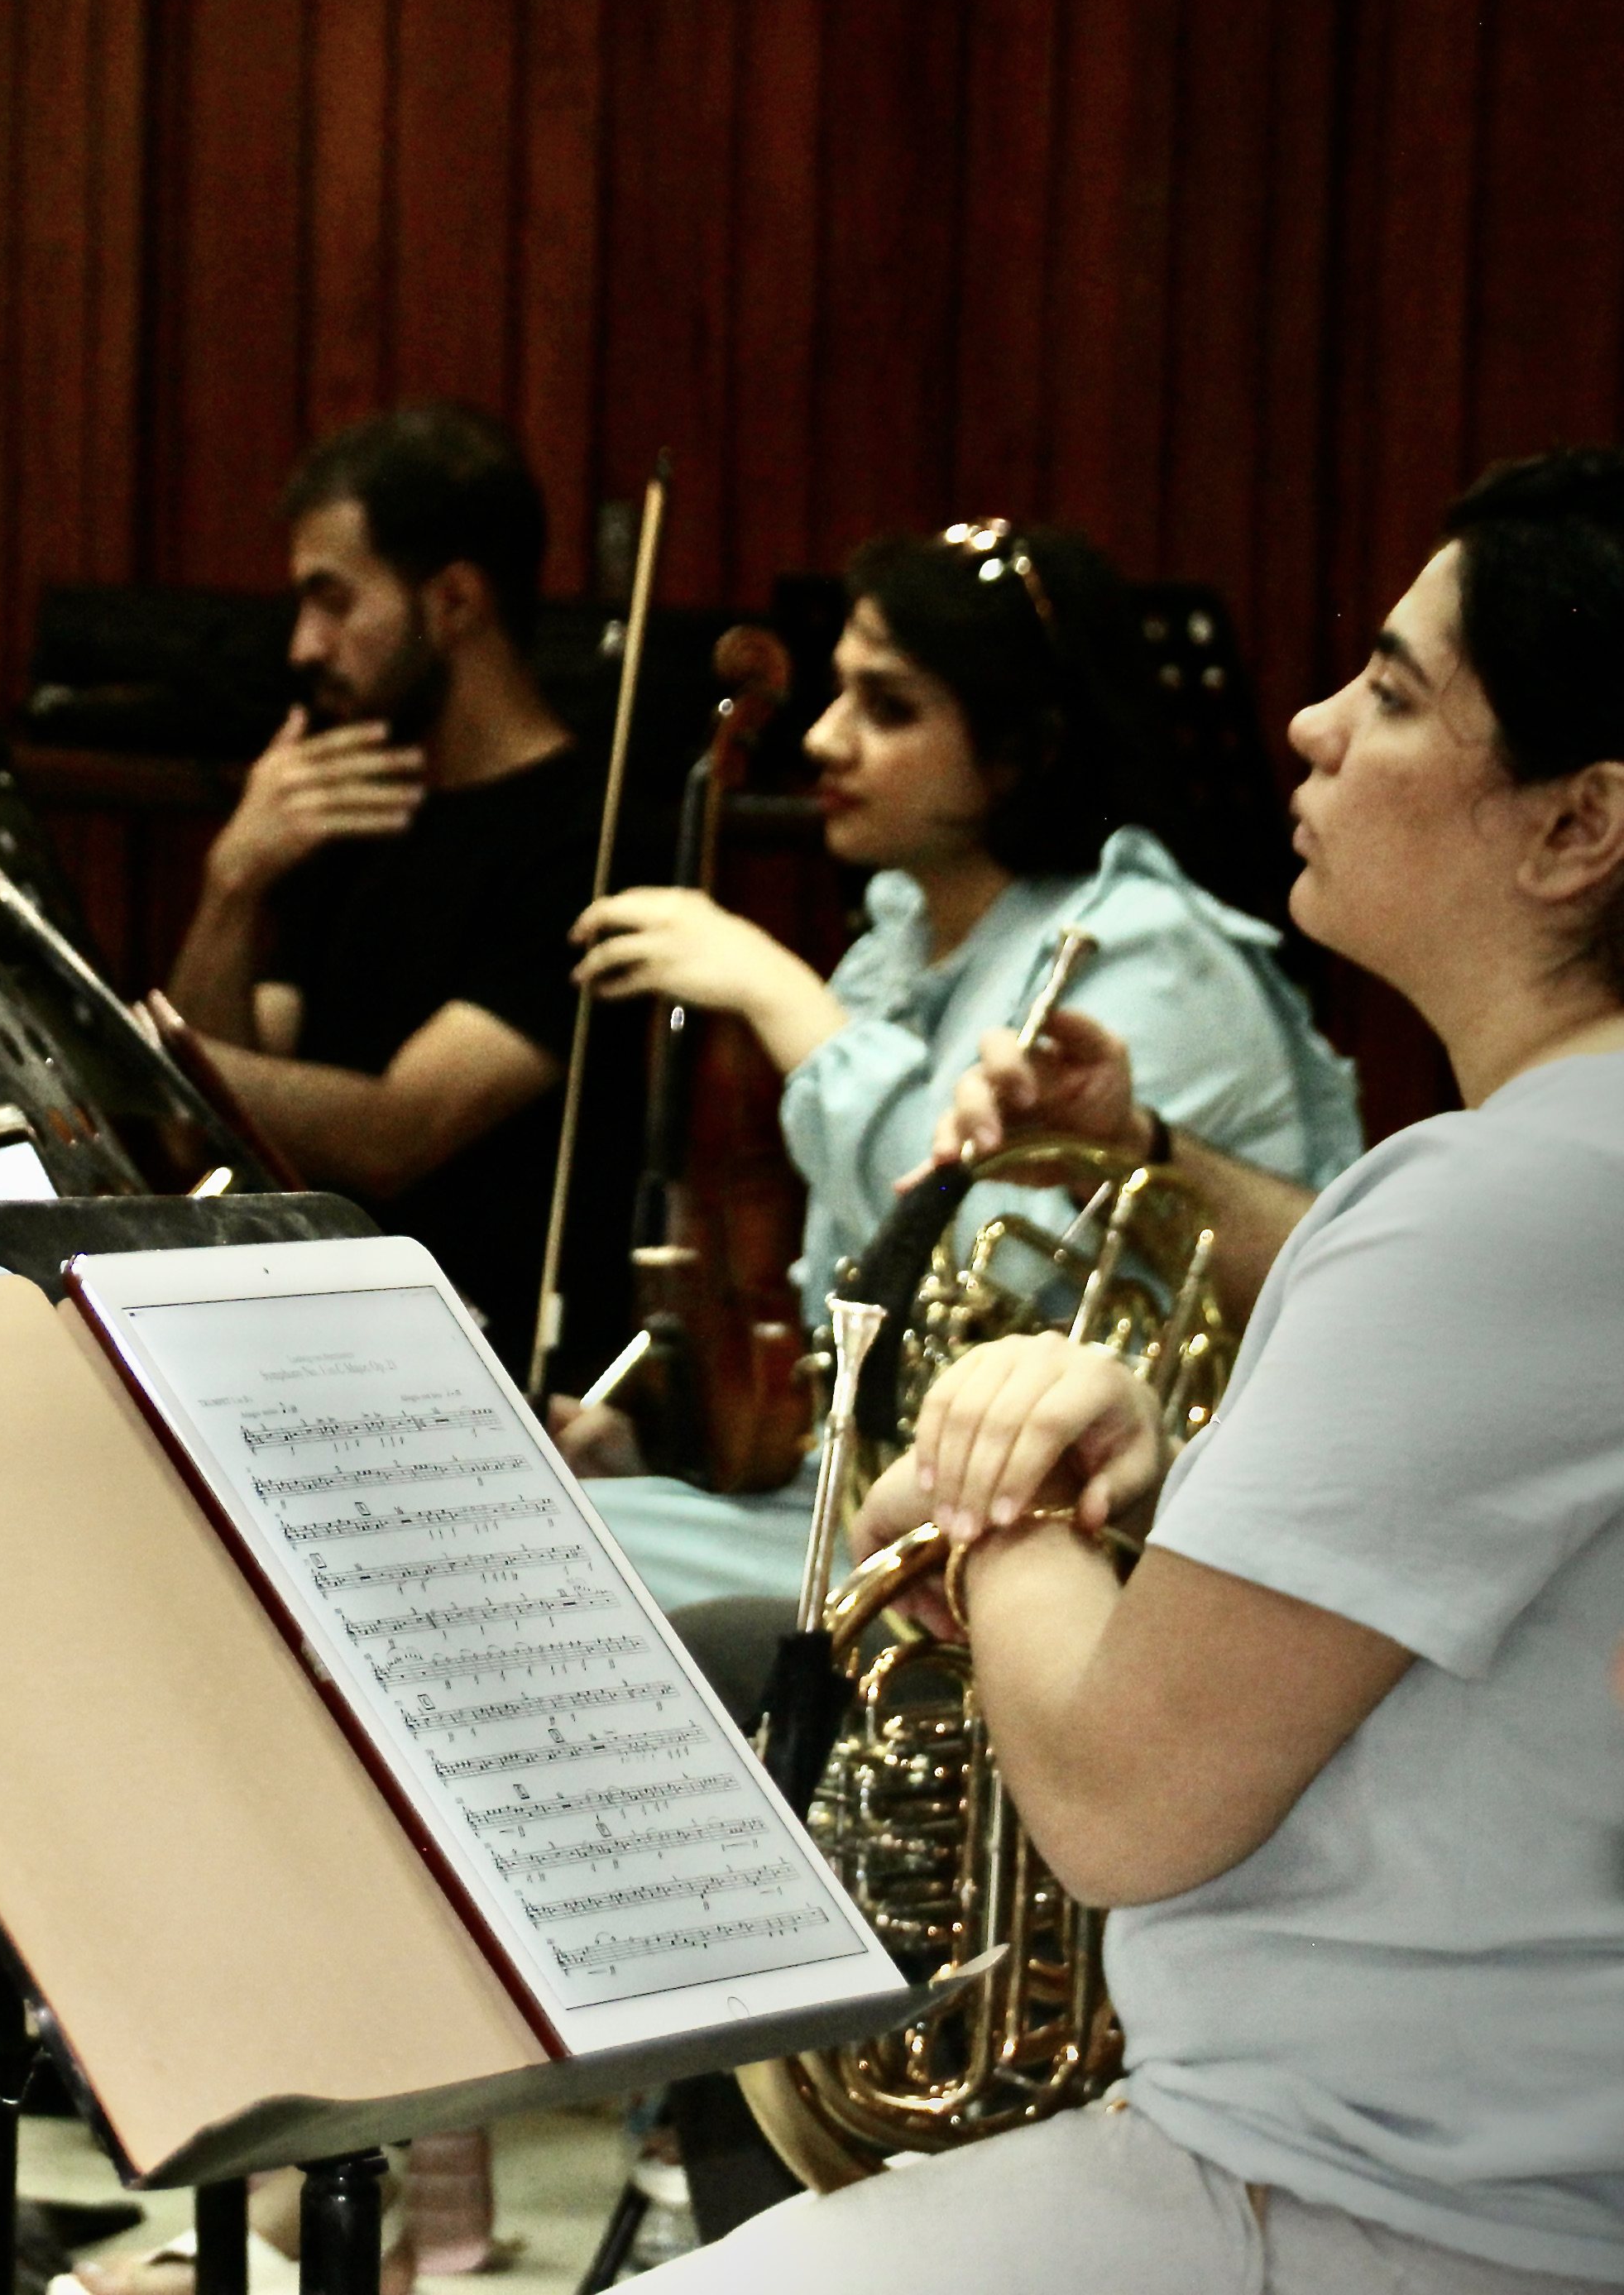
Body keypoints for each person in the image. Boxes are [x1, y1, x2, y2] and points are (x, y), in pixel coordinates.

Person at [629, 450, 1624, 2289]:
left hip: (1348, 2202)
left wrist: (992, 1488)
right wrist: (1149, 1200)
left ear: (1576, 828)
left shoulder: (1511, 1199)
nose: (1316, 725)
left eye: (1396, 693)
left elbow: (1112, 1801)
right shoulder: (1557, 1165)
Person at [558, 520, 1358, 1612]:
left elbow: (971, 1266)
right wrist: (672, 1446)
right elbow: (858, 1352)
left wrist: (783, 999)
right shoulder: (901, 939)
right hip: (886, 1503)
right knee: (529, 1519)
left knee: (541, 1573)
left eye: (889, 708)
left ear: (1023, 745)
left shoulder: (1147, 951)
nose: (826, 741)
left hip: (1086, 1547)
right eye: (838, 695)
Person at [164, 403, 634, 1389]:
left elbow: (395, 1133)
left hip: (478, 1366)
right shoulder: (360, 793)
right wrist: (232, 885)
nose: (303, 644)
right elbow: (221, 1116)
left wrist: (143, 1050)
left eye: (334, 602)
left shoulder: (587, 835)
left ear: (455, 602)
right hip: (305, 1335)